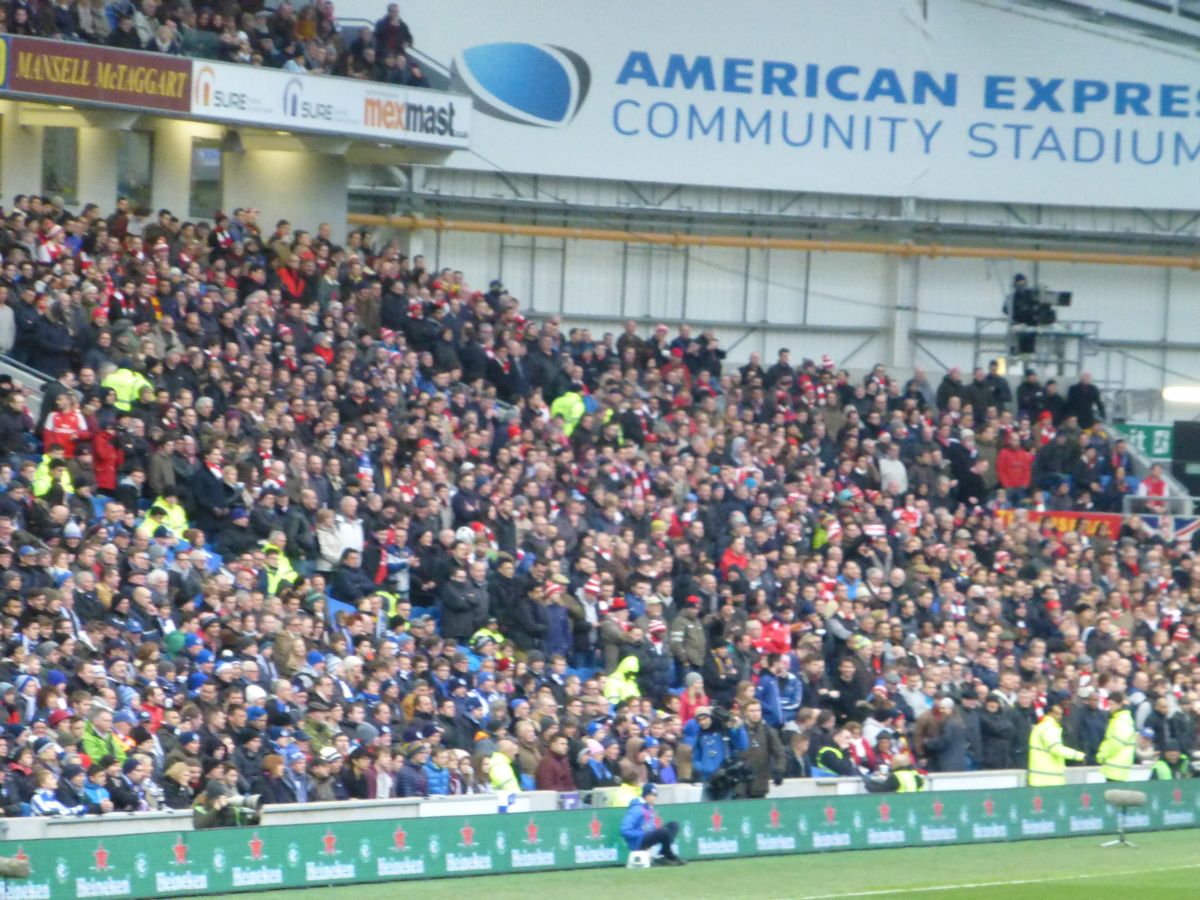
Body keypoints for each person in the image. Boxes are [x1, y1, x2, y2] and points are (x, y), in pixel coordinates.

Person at [620, 783, 685, 866]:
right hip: (638, 841)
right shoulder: (636, 809)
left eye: (655, 795)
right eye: (651, 795)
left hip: (647, 836)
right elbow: (624, 830)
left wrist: (653, 831)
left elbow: (651, 826)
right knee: (663, 832)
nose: (653, 798)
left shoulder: (648, 807)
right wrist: (641, 834)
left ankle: (664, 853)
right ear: (645, 795)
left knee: (674, 825)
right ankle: (667, 854)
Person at [1028, 702, 1085, 787]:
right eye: (1057, 714)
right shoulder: (1050, 728)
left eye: (1061, 714)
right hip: (1049, 779)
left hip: (1039, 778)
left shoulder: (1040, 727)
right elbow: (1056, 749)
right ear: (1050, 713)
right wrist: (1080, 756)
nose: (1060, 717)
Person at [1096, 691, 1137, 783]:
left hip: (1116, 768)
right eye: (1109, 704)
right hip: (1117, 768)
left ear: (1120, 704)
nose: (1110, 707)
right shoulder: (1119, 719)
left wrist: (1102, 755)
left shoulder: (1121, 720)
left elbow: (1116, 743)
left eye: (1112, 704)